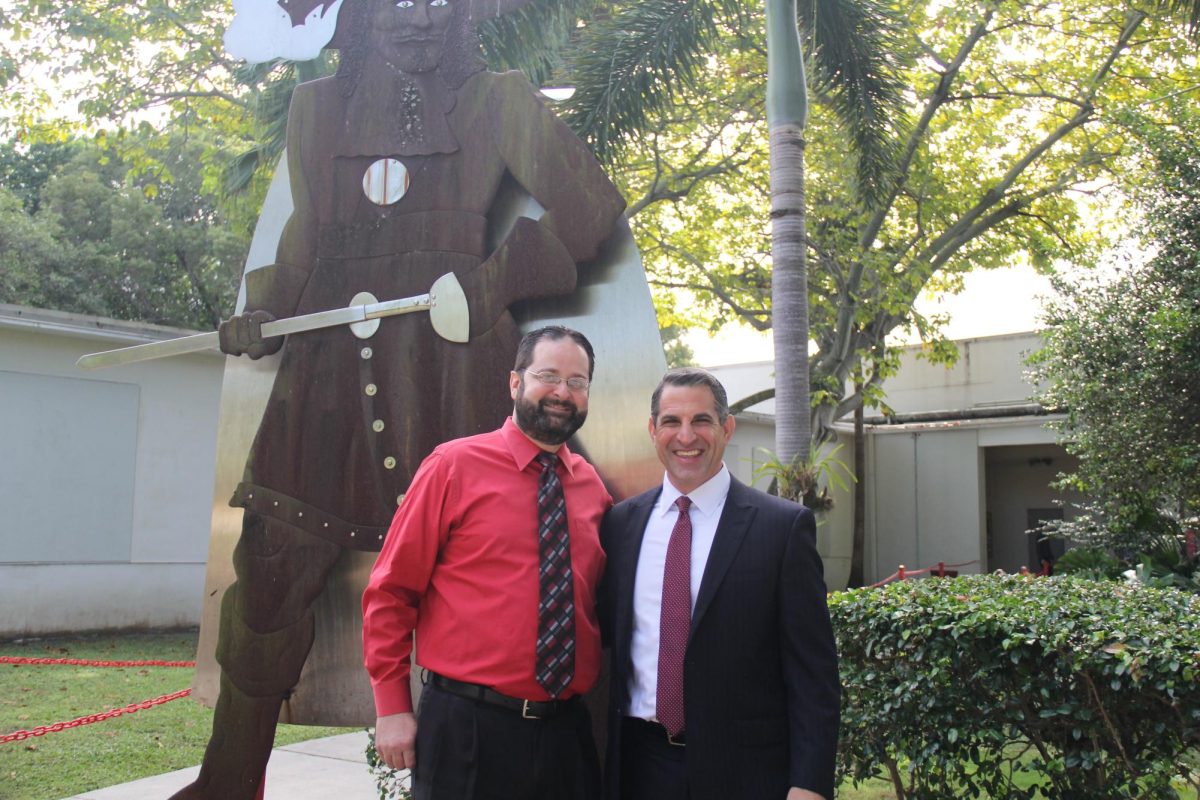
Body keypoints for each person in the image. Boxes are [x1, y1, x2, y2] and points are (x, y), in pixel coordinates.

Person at [174, 0, 625, 796]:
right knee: (269, 577)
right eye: (395, 2)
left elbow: (589, 208)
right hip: (322, 382)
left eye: (437, 3)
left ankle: (598, 778)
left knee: (548, 573)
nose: (417, 19)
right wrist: (265, 312)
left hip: (457, 371)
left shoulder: (498, 101)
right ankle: (227, 781)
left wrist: (490, 287)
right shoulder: (316, 109)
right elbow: (308, 236)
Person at [363, 325, 612, 800]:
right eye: (549, 376)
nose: (563, 392)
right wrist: (391, 707)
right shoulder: (452, 467)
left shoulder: (592, 490)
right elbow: (391, 591)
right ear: (516, 383)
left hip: (566, 734)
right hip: (466, 728)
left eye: (577, 382)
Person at [599, 368, 841, 800]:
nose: (686, 436)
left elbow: (813, 677)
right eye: (671, 422)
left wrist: (809, 784)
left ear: (726, 428)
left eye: (702, 421)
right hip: (640, 768)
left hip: (746, 775)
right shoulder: (621, 524)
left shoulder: (782, 529)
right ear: (653, 430)